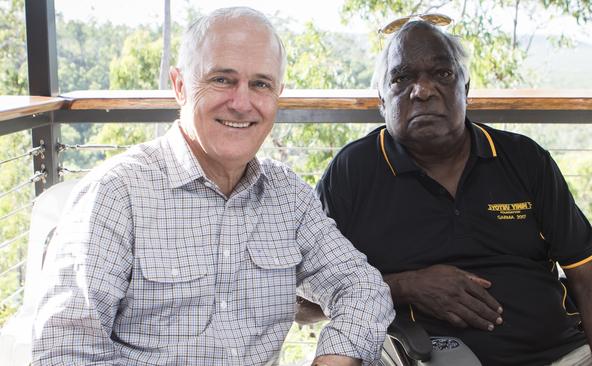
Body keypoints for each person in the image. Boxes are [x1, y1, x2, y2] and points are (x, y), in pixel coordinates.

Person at [31, 7, 394, 366]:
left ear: (277, 94)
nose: (241, 103)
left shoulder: (288, 196)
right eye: (222, 79)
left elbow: (362, 287)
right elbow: (64, 353)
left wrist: (334, 358)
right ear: (180, 86)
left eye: (260, 84)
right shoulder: (116, 194)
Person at [311, 18, 592, 366]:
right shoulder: (353, 171)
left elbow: (590, 277)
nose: (423, 90)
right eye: (401, 78)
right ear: (381, 101)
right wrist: (407, 286)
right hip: (424, 357)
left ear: (466, 88)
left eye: (442, 74)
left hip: (564, 354)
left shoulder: (524, 159)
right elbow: (306, 302)